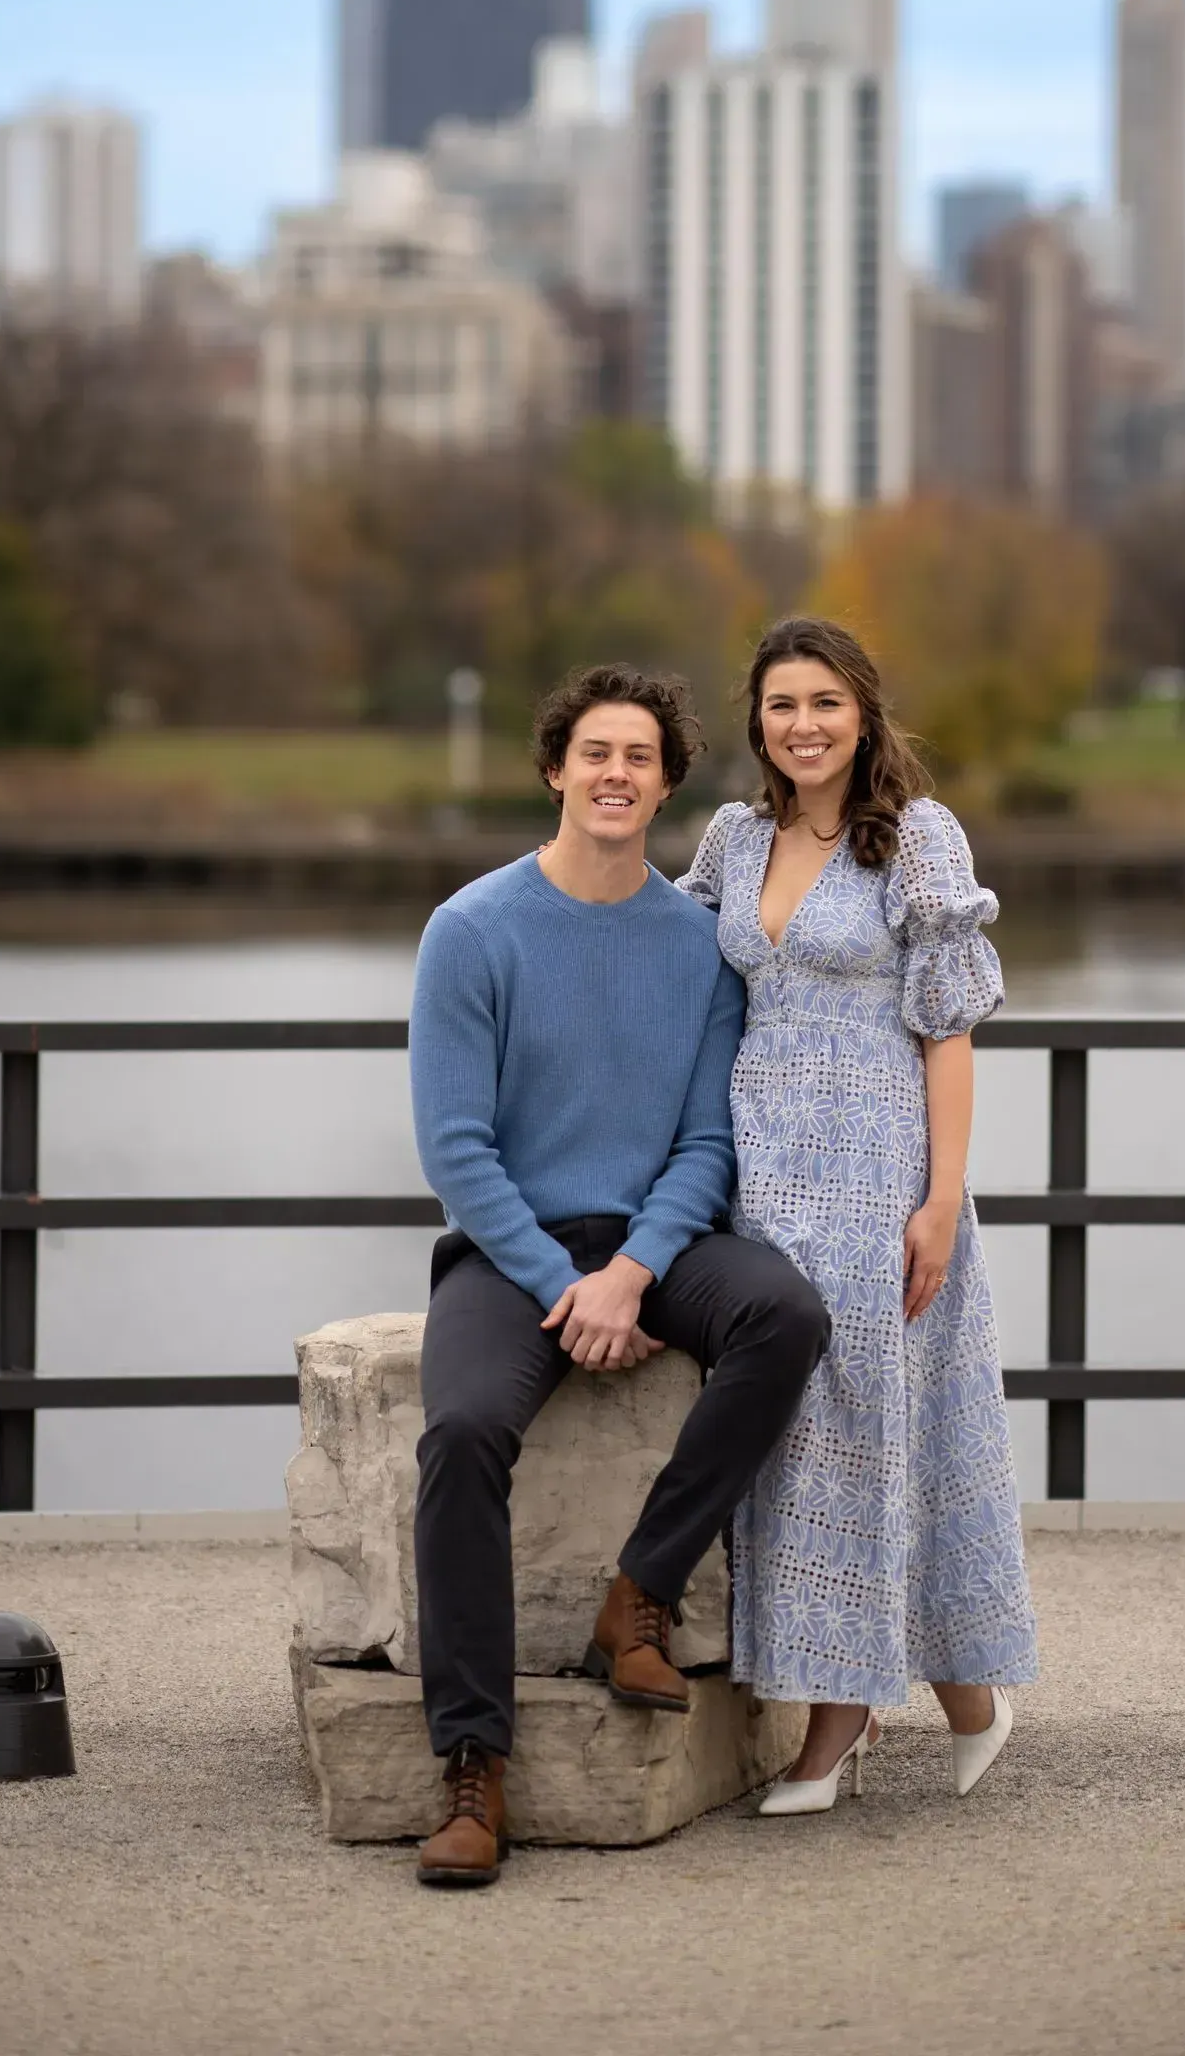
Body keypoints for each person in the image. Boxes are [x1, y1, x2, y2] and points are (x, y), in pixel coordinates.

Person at [406, 659, 831, 1887]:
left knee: (785, 1314)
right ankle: (474, 1769)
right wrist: (565, 1279)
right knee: (466, 1431)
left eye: (639, 757)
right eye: (595, 752)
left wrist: (635, 1271)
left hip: (656, 1240)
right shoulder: (471, 931)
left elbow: (707, 1140)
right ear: (555, 770)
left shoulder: (697, 946)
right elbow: (456, 1148)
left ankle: (638, 1594)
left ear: (665, 786)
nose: (615, 774)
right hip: (507, 1249)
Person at [679, 613, 1037, 1813]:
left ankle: (838, 1725)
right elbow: (668, 968)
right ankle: (961, 1696)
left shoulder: (916, 840)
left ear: (865, 713)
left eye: (826, 703)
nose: (804, 726)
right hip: (756, 1174)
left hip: (877, 1175)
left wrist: (941, 1201)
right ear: (757, 722)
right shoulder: (733, 839)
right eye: (782, 705)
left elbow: (950, 1032)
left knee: (872, 1434)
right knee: (791, 1442)